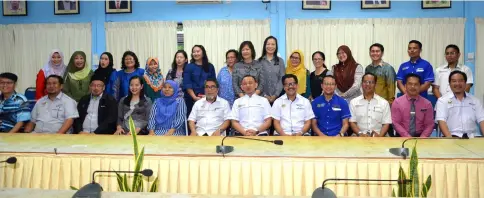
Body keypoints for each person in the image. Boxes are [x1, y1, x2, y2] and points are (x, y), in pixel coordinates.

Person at [436, 71, 484, 138]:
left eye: (461, 81)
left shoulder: (475, 101)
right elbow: (441, 121)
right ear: (449, 84)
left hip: (472, 137)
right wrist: (450, 139)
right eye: (454, 81)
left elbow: (482, 120)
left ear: (465, 83)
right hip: (451, 137)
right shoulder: (442, 101)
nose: (457, 83)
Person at [349, 73, 392, 137]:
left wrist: (380, 136)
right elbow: (352, 122)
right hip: (359, 135)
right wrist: (360, 133)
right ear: (361, 84)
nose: (367, 84)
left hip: (380, 135)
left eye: (371, 82)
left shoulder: (384, 103)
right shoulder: (353, 102)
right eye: (365, 82)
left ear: (375, 84)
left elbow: (386, 123)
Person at [183, 45, 216, 117]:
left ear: (203, 53)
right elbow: (187, 83)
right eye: (194, 52)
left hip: (207, 98)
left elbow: (213, 83)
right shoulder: (189, 66)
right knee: (192, 119)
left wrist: (207, 96)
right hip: (191, 98)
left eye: (198, 51)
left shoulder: (210, 66)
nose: (196, 53)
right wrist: (194, 97)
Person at [259, 36, 285, 104]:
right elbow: (258, 80)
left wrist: (275, 95)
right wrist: (264, 95)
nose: (270, 46)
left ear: (276, 46)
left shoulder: (280, 61)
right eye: (268, 44)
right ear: (265, 46)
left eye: (273, 44)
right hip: (262, 98)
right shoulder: (258, 62)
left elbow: (282, 79)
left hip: (278, 98)